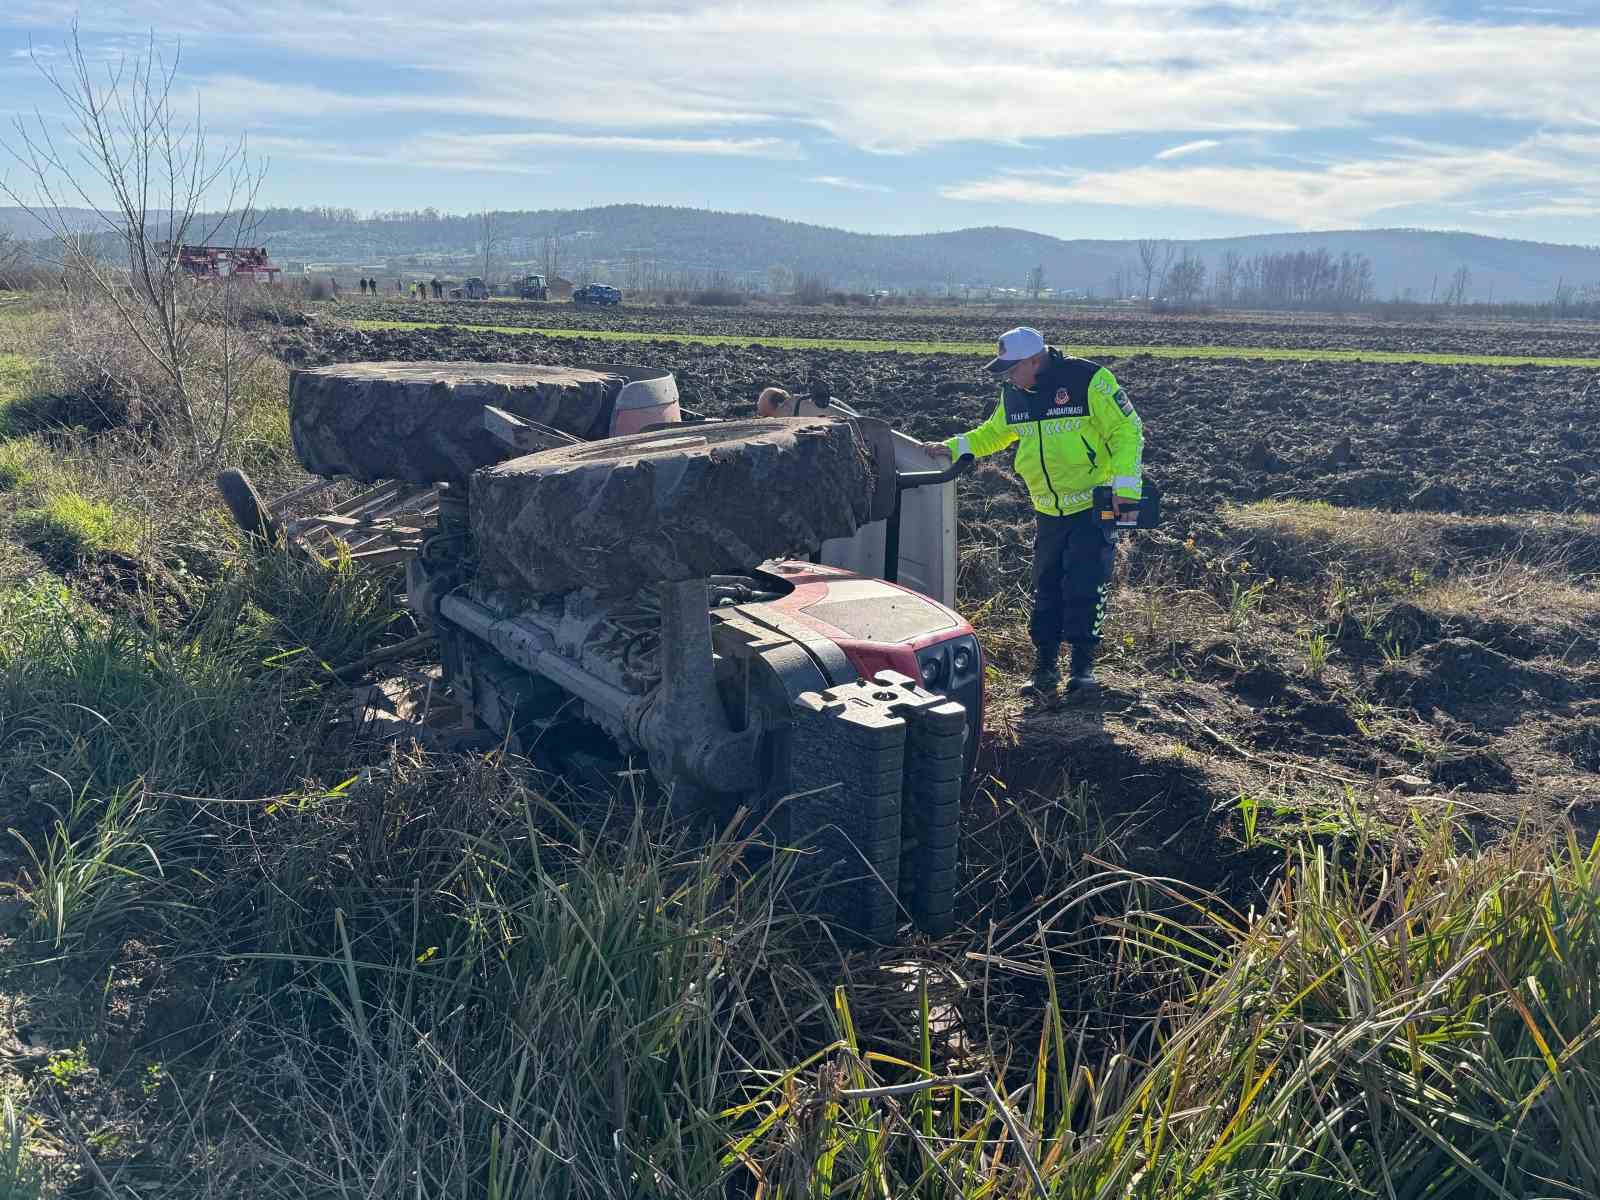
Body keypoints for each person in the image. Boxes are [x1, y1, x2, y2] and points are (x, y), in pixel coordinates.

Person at [924, 326, 1143, 701]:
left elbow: (1127, 430)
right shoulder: (1014, 394)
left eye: (1012, 368)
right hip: (1047, 509)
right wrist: (951, 447)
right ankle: (1044, 668)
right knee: (1046, 587)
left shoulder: (1089, 380)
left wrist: (1125, 490)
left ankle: (1082, 669)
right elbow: (993, 434)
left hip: (1093, 505)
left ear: (1036, 360)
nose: (1007, 376)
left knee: (1085, 585)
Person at [756, 379, 859, 418]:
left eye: (766, 415)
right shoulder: (802, 404)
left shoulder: (797, 408)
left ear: (779, 406)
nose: (766, 420)